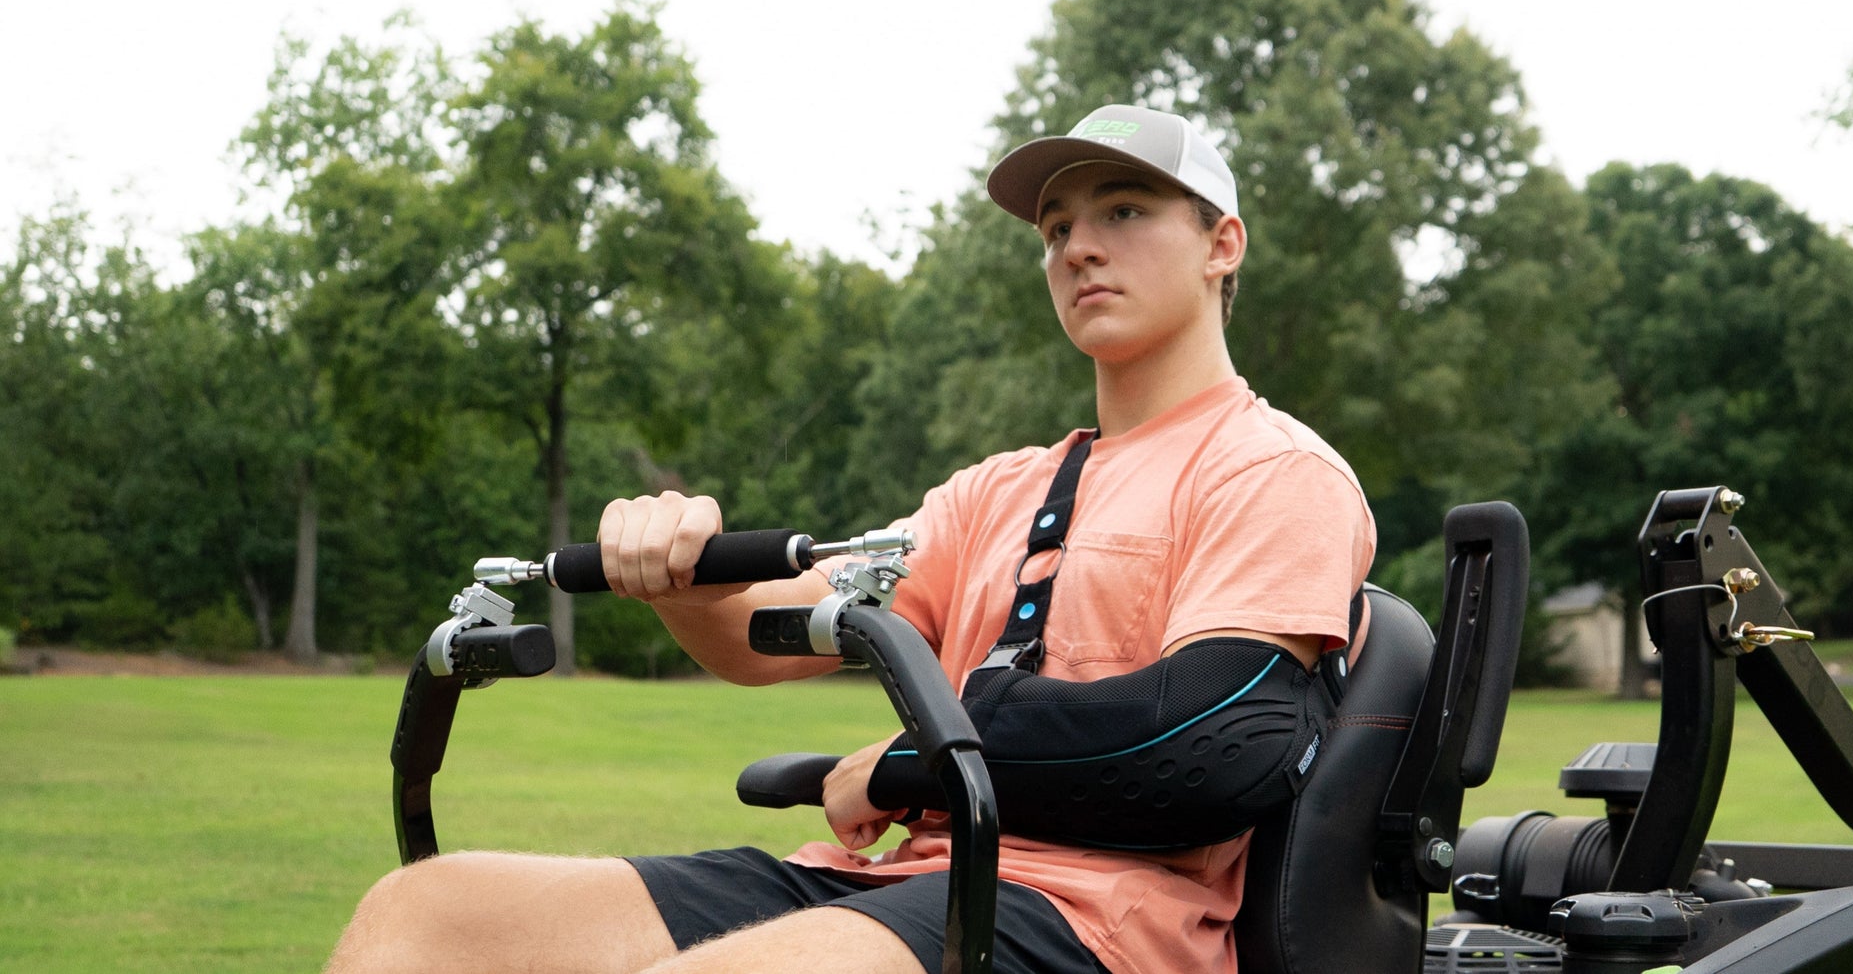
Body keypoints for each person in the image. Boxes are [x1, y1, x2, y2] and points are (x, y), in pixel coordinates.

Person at [325, 104, 1376, 974]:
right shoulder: (990, 493)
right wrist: (682, 577)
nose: (1078, 246)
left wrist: (910, 765)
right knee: (425, 912)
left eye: (1124, 209)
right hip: (890, 882)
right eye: (1055, 229)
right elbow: (761, 636)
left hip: (1096, 920)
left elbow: (1210, 748)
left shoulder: (1270, 470)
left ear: (1220, 243)